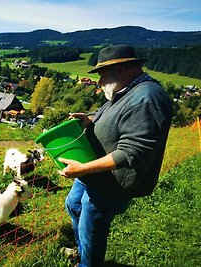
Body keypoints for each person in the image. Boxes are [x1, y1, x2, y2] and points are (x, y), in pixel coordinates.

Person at [58, 45, 173, 266]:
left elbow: (133, 151)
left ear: (119, 70)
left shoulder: (147, 98)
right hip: (96, 172)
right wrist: (91, 119)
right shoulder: (125, 90)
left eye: (101, 75)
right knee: (74, 205)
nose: (99, 82)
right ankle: (82, 252)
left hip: (112, 182)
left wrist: (82, 169)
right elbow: (117, 118)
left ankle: (88, 262)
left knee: (92, 226)